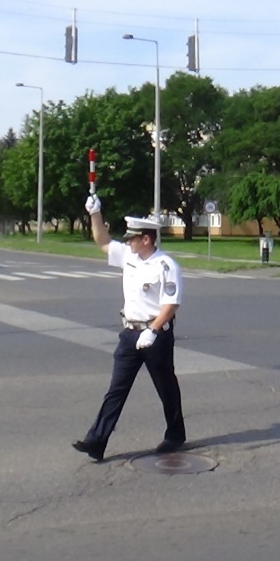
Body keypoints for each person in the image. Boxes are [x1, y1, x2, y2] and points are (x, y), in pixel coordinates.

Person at [71, 194, 187, 462]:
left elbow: (171, 303)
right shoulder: (128, 256)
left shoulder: (166, 266)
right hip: (129, 334)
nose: (128, 242)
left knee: (165, 386)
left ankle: (175, 434)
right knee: (116, 389)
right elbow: (102, 241)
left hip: (155, 334)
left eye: (132, 238)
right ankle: (96, 441)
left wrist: (153, 330)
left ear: (146, 239)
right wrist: (95, 214)